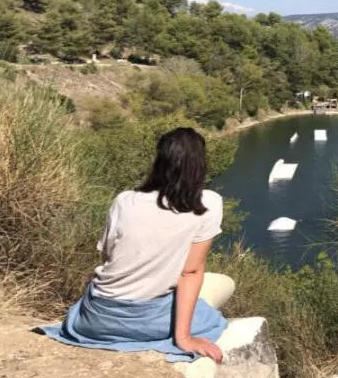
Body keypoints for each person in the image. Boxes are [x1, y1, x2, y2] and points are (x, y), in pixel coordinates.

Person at [39, 128, 235, 363]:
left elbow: (108, 257)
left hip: (97, 318)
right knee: (216, 303)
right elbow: (190, 271)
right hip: (148, 320)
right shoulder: (208, 204)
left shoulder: (124, 201)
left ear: (160, 161)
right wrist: (184, 338)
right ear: (200, 164)